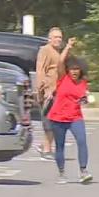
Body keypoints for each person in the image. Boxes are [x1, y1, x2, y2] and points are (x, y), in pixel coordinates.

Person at [46, 37, 92, 184]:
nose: (74, 72)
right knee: (59, 146)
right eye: (72, 69)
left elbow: (84, 97)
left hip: (75, 117)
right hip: (58, 117)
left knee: (82, 141)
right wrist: (68, 47)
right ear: (68, 70)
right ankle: (62, 173)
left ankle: (83, 171)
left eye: (76, 69)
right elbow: (60, 62)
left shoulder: (83, 83)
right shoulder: (62, 78)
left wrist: (85, 100)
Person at [35, 27, 64, 160]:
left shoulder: (58, 52)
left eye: (60, 37)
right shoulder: (45, 50)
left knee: (55, 121)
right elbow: (40, 69)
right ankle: (46, 150)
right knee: (49, 121)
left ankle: (44, 145)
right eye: (56, 37)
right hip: (48, 91)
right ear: (49, 38)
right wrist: (42, 89)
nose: (58, 39)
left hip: (57, 90)